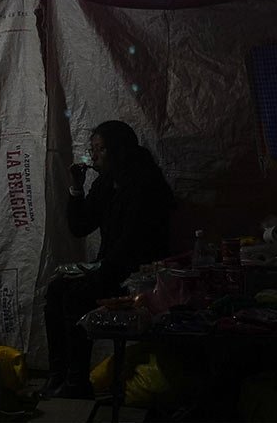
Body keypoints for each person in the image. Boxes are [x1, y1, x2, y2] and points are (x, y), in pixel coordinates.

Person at [43, 119, 173, 399]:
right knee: (55, 290)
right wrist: (76, 188)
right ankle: (59, 375)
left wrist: (94, 272)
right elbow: (80, 226)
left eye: (101, 149)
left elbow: (132, 244)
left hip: (139, 278)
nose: (95, 156)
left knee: (76, 296)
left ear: (119, 149)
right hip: (111, 268)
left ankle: (77, 383)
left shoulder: (144, 184)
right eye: (93, 150)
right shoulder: (107, 182)